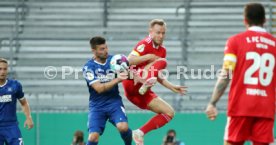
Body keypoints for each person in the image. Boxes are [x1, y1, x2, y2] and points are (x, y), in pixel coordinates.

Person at [205, 3, 276, 145]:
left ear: (245, 20)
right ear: (264, 20)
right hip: (265, 108)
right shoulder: (274, 44)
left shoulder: (235, 42)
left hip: (241, 107)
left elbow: (226, 73)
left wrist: (212, 102)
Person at [122, 19, 187, 145]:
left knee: (169, 112)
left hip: (139, 93)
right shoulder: (145, 43)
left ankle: (139, 132)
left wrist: (171, 87)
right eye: (158, 32)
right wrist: (147, 57)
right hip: (132, 82)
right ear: (150, 32)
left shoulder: (162, 50)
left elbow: (156, 73)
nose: (161, 36)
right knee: (163, 62)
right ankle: (146, 82)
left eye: (163, 33)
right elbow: (128, 61)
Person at [82, 36, 132, 145]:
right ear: (93, 51)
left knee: (123, 127)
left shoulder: (114, 61)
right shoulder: (88, 67)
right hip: (97, 106)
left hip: (113, 102)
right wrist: (118, 79)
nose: (106, 51)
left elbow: (130, 74)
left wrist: (136, 77)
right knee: (93, 137)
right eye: (102, 49)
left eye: (106, 47)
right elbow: (99, 88)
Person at [0, 58, 34, 145]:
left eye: (5, 69)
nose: (2, 72)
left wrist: (28, 117)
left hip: (11, 126)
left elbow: (24, 103)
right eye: (0, 69)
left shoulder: (15, 85)